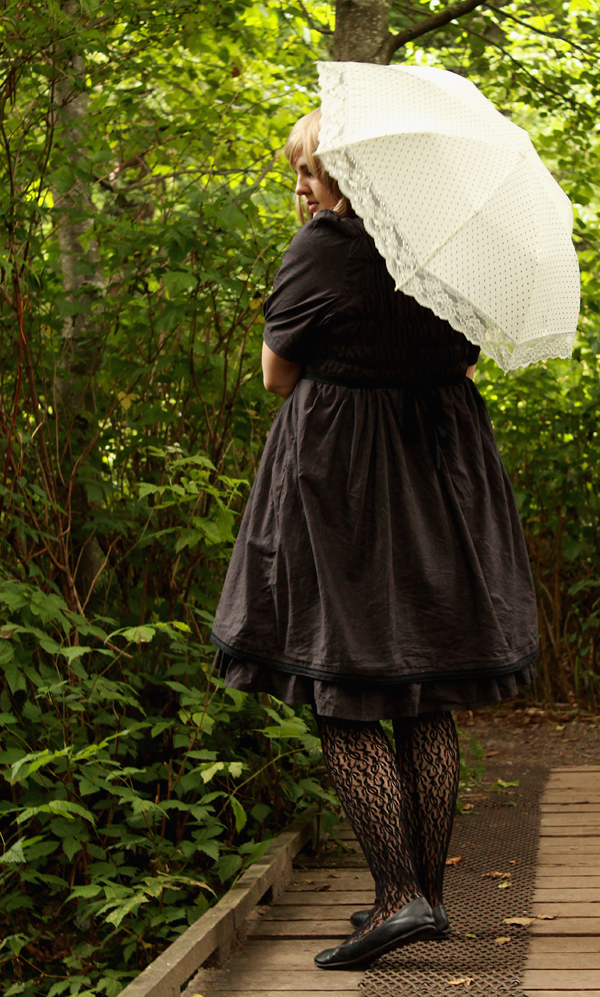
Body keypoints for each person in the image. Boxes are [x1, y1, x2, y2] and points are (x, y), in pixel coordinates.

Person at [210, 108, 539, 970]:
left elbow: (279, 373)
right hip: (439, 469)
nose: (301, 190)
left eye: (310, 174)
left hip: (345, 479)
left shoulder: (324, 246)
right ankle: (419, 894)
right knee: (423, 689)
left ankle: (402, 895)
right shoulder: (447, 249)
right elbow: (465, 358)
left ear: (348, 177)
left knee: (342, 687)